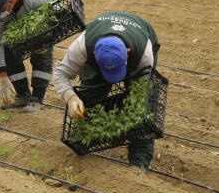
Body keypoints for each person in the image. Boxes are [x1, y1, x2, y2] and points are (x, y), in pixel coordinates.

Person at [53, 10, 160, 173]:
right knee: (89, 98)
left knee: (140, 107)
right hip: (101, 45)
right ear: (94, 55)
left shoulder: (143, 52)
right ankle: (91, 138)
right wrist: (71, 98)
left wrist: (128, 125)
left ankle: (139, 161)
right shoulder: (82, 45)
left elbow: (142, 96)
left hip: (141, 36)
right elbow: (60, 74)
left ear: (127, 52)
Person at [0, 0, 60, 113]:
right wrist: (1, 78)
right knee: (7, 46)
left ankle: (37, 98)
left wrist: (46, 40)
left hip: (45, 0)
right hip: (17, 12)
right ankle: (23, 95)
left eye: (1, 11)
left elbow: (57, 18)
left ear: (11, 1)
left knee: (40, 50)